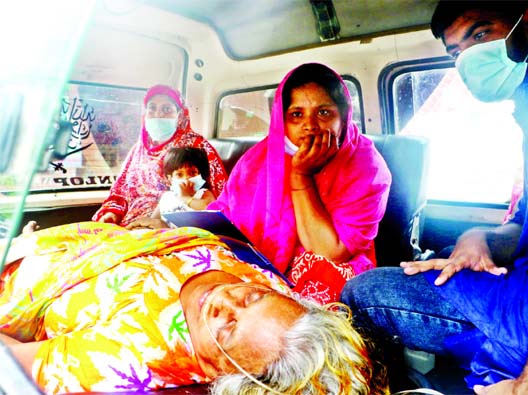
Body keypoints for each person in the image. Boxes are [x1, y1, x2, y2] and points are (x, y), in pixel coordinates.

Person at [341, 2, 528, 395]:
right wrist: (479, 239)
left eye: (480, 35)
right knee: (448, 250)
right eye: (456, 54)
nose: (469, 60)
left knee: (363, 293)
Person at [0, 221, 388, 395]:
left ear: (223, 373)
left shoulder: (127, 356)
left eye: (227, 329)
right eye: (252, 298)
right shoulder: (272, 298)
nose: (226, 300)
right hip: (73, 239)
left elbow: (9, 367)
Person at [208, 63, 391, 305]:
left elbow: (330, 251)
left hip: (329, 264)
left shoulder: (366, 166)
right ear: (282, 120)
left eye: (324, 112)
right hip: (256, 259)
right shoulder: (255, 161)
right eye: (296, 114)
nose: (310, 125)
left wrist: (300, 176)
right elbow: (224, 212)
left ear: (344, 116)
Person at [92, 84, 227, 227]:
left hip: (175, 225)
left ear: (180, 115)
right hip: (130, 224)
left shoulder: (198, 146)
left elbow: (220, 199)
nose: (158, 114)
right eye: (152, 108)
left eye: (166, 109)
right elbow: (121, 192)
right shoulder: (138, 150)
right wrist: (112, 214)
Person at [126, 147, 216, 230]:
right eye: (179, 174)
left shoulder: (203, 194)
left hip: (193, 239)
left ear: (202, 176)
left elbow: (208, 207)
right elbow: (154, 220)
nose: (186, 178)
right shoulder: (167, 197)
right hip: (168, 237)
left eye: (192, 173)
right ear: (170, 179)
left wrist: (185, 198)